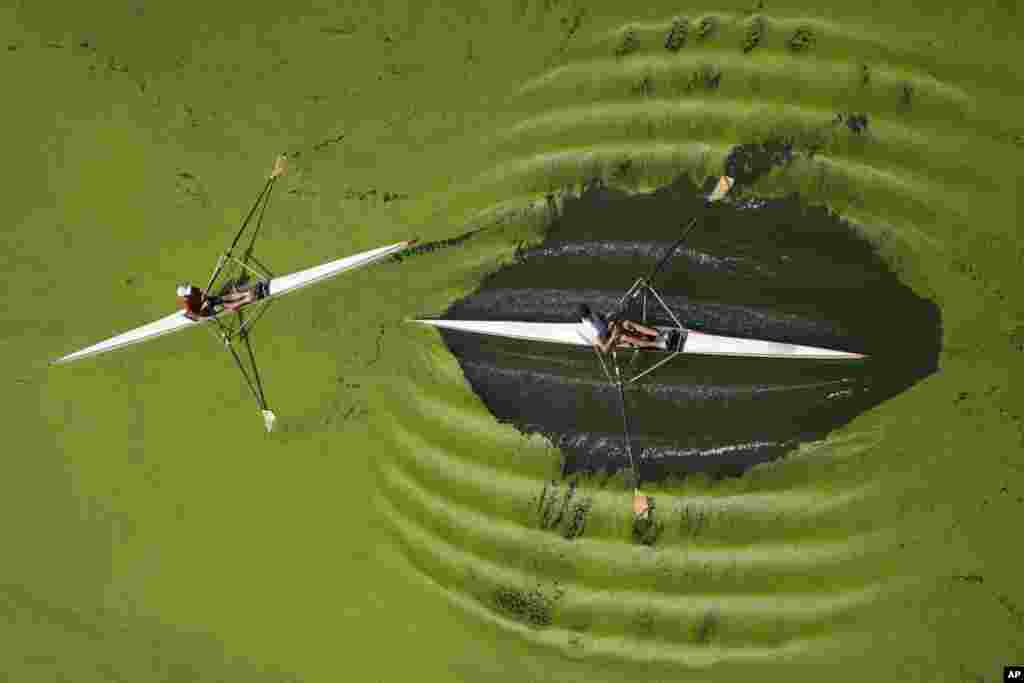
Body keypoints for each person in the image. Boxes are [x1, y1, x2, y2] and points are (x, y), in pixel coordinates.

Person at [577, 304, 665, 352]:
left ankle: (661, 334)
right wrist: (612, 337)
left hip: (609, 332)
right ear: (585, 318)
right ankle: (659, 345)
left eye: (589, 313)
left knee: (627, 323)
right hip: (607, 340)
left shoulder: (593, 313)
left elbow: (603, 318)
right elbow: (604, 349)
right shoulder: (592, 329)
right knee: (624, 337)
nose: (590, 316)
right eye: (588, 316)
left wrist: (611, 322)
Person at [177, 281, 268, 320]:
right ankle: (248, 299)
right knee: (224, 305)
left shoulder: (191, 289)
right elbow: (197, 316)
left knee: (223, 298)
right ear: (185, 296)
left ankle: (247, 294)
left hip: (207, 300)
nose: (190, 292)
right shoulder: (187, 305)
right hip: (205, 311)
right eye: (188, 293)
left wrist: (204, 294)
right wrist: (204, 305)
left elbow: (201, 291)